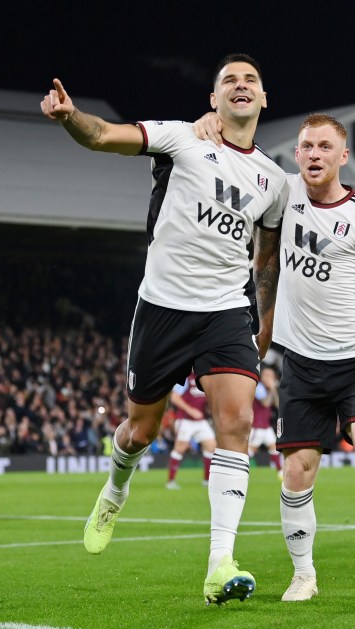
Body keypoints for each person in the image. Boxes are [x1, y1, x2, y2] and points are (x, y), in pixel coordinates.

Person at [40, 53, 288, 605]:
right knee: (140, 432)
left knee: (238, 419)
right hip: (163, 306)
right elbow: (103, 135)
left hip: (226, 312)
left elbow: (265, 259)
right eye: (230, 80)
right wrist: (69, 116)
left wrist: (265, 322)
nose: (241, 86)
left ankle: (220, 564)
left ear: (264, 99)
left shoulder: (274, 180)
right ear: (214, 99)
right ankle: (114, 488)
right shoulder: (182, 138)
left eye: (251, 80)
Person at [193, 112, 355, 602]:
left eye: (325, 147)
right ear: (297, 154)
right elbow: (237, 162)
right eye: (306, 146)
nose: (313, 154)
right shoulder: (281, 192)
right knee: (296, 470)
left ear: (343, 156)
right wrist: (213, 124)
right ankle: (303, 574)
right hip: (301, 365)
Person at [166, 371, 216, 490]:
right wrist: (190, 410)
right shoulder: (185, 378)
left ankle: (206, 481)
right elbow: (174, 397)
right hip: (185, 419)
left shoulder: (203, 378)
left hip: (200, 419)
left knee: (211, 446)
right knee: (180, 448)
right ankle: (171, 481)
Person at [249, 365, 282, 480]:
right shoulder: (259, 387)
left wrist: (273, 389)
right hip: (256, 426)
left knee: (274, 448)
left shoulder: (269, 389)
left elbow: (277, 404)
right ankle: (239, 472)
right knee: (250, 451)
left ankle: (281, 473)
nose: (269, 378)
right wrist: (273, 388)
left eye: (271, 376)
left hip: (265, 426)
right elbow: (266, 403)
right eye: (266, 375)